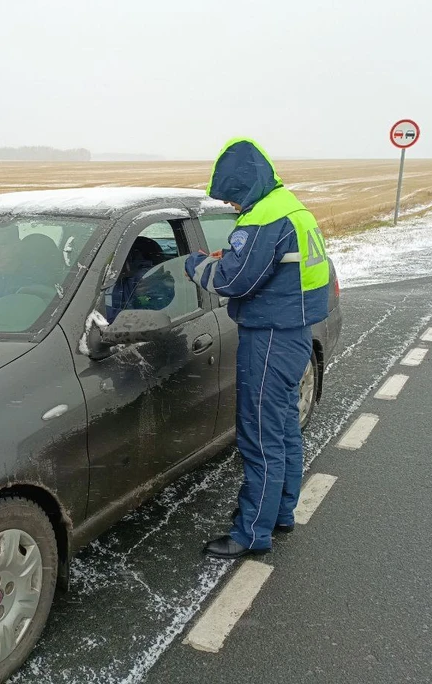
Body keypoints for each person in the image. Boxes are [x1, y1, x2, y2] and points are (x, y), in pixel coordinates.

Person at [186, 138, 330, 559]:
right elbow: (259, 265)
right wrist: (231, 259)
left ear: (245, 185)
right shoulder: (291, 208)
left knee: (260, 436)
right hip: (294, 330)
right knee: (283, 429)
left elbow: (231, 282)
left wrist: (195, 264)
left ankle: (251, 533)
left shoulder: (265, 218)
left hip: (269, 336)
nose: (231, 205)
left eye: (232, 196)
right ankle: (280, 512)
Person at [105, 236, 175, 322]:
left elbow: (152, 313)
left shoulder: (146, 279)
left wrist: (139, 297)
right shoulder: (102, 277)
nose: (107, 266)